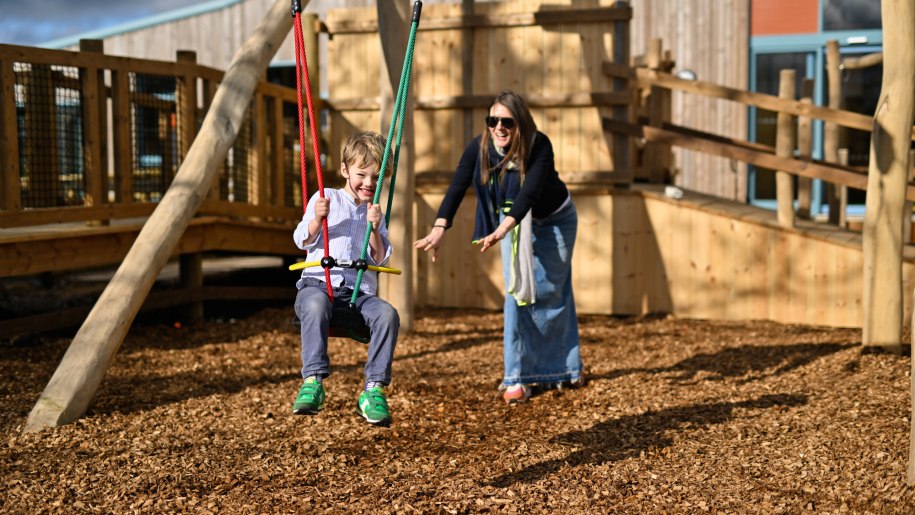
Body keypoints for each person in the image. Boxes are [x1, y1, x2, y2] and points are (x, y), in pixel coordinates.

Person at [414, 90, 583, 404]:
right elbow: (457, 186)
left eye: (507, 121)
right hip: (512, 224)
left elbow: (528, 193)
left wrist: (502, 229)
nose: (499, 127)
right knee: (516, 292)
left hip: (555, 220)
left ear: (521, 123)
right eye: (493, 120)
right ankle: (516, 377)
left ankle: (562, 369)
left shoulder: (538, 145)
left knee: (553, 291)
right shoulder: (478, 149)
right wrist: (440, 227)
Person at [291, 131, 400, 427]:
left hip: (357, 295)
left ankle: (373, 390)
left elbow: (379, 258)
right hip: (318, 286)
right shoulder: (326, 198)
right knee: (314, 307)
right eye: (361, 174)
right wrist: (316, 219)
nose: (369, 183)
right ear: (345, 171)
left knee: (388, 314)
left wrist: (375, 228)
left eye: (376, 177)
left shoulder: (375, 211)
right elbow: (301, 240)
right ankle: (313, 381)